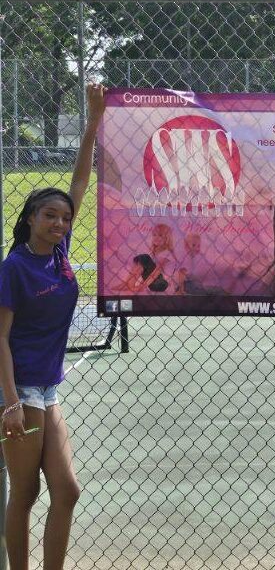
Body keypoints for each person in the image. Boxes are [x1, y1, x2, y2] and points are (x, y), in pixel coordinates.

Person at [0, 84, 106, 570]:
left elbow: (79, 182)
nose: (60, 223)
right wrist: (10, 403)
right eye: (50, 215)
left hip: (47, 387)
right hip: (19, 388)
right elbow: (0, 337)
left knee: (67, 490)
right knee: (25, 493)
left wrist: (93, 121)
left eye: (64, 217)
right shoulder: (14, 268)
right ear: (29, 219)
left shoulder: (58, 253)